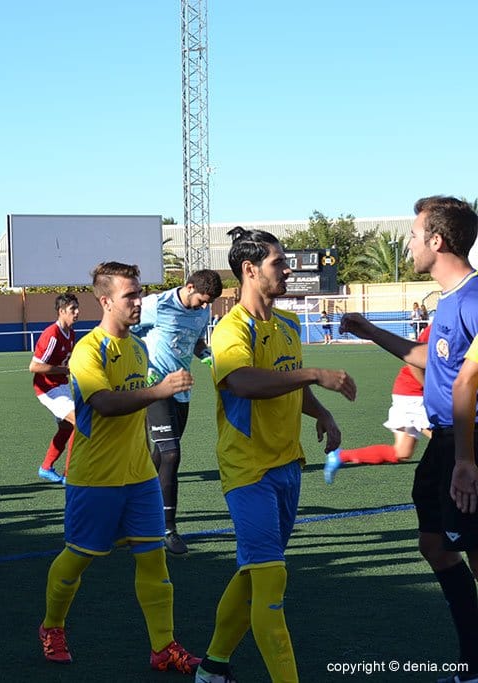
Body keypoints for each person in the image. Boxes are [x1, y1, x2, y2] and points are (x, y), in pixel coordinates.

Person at [195, 227, 356, 683]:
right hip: (247, 470)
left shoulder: (287, 325)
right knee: (271, 580)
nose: (288, 270)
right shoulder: (230, 330)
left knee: (253, 573)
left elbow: (289, 384)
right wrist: (314, 373)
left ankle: (212, 666)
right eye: (279, 263)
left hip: (288, 464)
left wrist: (321, 412)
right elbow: (242, 381)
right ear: (249, 270)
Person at [38, 262, 203, 673]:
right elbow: (104, 405)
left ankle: (163, 646)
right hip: (95, 479)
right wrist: (159, 390)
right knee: (77, 558)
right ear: (106, 300)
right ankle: (52, 626)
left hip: (140, 478)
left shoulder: (138, 347)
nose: (139, 301)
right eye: (131, 295)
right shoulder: (88, 350)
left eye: (140, 293)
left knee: (153, 562)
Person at [340, 196, 478, 682]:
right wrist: (371, 331)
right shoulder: (451, 300)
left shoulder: (475, 299)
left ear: (437, 241)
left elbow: (468, 380)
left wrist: (467, 457)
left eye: (415, 235)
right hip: (445, 443)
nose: (409, 243)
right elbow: (433, 361)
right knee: (435, 545)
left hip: (468, 445)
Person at [142, 269, 223, 554]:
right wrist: (144, 371)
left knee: (158, 456)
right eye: (202, 300)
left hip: (182, 391)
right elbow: (125, 331)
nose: (204, 307)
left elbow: (196, 342)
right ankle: (167, 529)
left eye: (208, 302)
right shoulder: (157, 305)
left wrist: (210, 358)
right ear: (188, 287)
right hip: (155, 388)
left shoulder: (202, 312)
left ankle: (132, 509)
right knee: (171, 453)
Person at [324, 325, 431, 484]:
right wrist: (431, 390)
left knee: (402, 452)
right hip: (414, 394)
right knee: (453, 442)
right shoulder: (445, 322)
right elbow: (413, 361)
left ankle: (340, 456)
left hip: (409, 392)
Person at [30, 293, 80, 484]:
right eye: (72, 309)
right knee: (80, 422)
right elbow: (34, 367)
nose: (77, 312)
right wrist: (64, 369)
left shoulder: (71, 333)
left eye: (77, 308)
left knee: (67, 428)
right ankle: (70, 474)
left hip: (61, 386)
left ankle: (46, 467)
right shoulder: (52, 334)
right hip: (47, 389)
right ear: (61, 312)